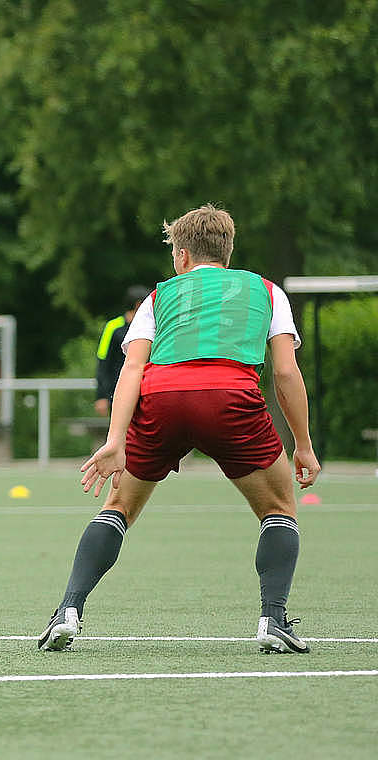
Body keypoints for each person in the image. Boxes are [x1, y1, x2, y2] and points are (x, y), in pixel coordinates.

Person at [38, 203, 320, 654]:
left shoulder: (158, 296)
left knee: (119, 507)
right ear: (227, 250)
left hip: (162, 398)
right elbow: (285, 373)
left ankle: (68, 610)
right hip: (231, 397)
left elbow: (132, 369)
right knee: (279, 508)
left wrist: (115, 441)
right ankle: (273, 618)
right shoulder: (267, 292)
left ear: (183, 255)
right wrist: (303, 445)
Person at [94, 285, 151, 417]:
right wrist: (101, 395)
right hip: (117, 392)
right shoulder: (113, 327)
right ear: (139, 304)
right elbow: (103, 362)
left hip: (145, 392)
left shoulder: (150, 327)